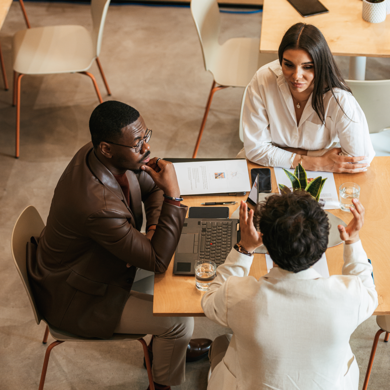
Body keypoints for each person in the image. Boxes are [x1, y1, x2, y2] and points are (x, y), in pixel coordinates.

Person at [27, 101, 211, 390]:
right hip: (79, 297)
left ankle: (164, 353)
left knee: (179, 270)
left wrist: (152, 229)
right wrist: (174, 196)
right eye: (138, 143)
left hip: (93, 266)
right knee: (179, 320)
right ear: (106, 148)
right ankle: (160, 383)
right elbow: (157, 260)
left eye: (145, 136)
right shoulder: (96, 204)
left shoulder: (107, 156)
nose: (147, 148)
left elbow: (151, 188)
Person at [202, 193, 377, 390]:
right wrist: (352, 242)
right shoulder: (351, 296)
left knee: (221, 341)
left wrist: (245, 248)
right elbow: (368, 289)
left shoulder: (238, 295)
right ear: (323, 245)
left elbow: (210, 300)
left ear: (266, 244)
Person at [242, 23, 375, 172]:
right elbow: (254, 150)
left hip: (282, 164)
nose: (296, 76)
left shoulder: (339, 98)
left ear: (320, 64)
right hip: (270, 167)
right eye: (288, 65)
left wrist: (281, 151)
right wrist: (316, 161)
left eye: (307, 66)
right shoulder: (263, 79)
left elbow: (359, 160)